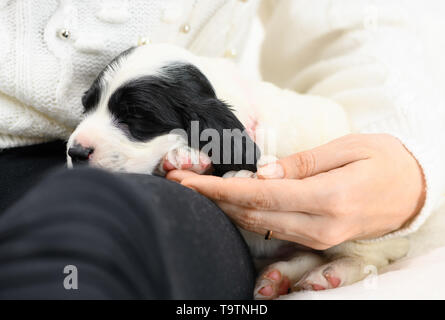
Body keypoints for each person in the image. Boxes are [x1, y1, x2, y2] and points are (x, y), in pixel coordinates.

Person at [0, 0, 444, 299]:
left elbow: (356, 29)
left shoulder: (221, 135)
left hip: (157, 196)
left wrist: (400, 159)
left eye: (133, 119)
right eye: (91, 110)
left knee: (93, 230)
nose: (84, 139)